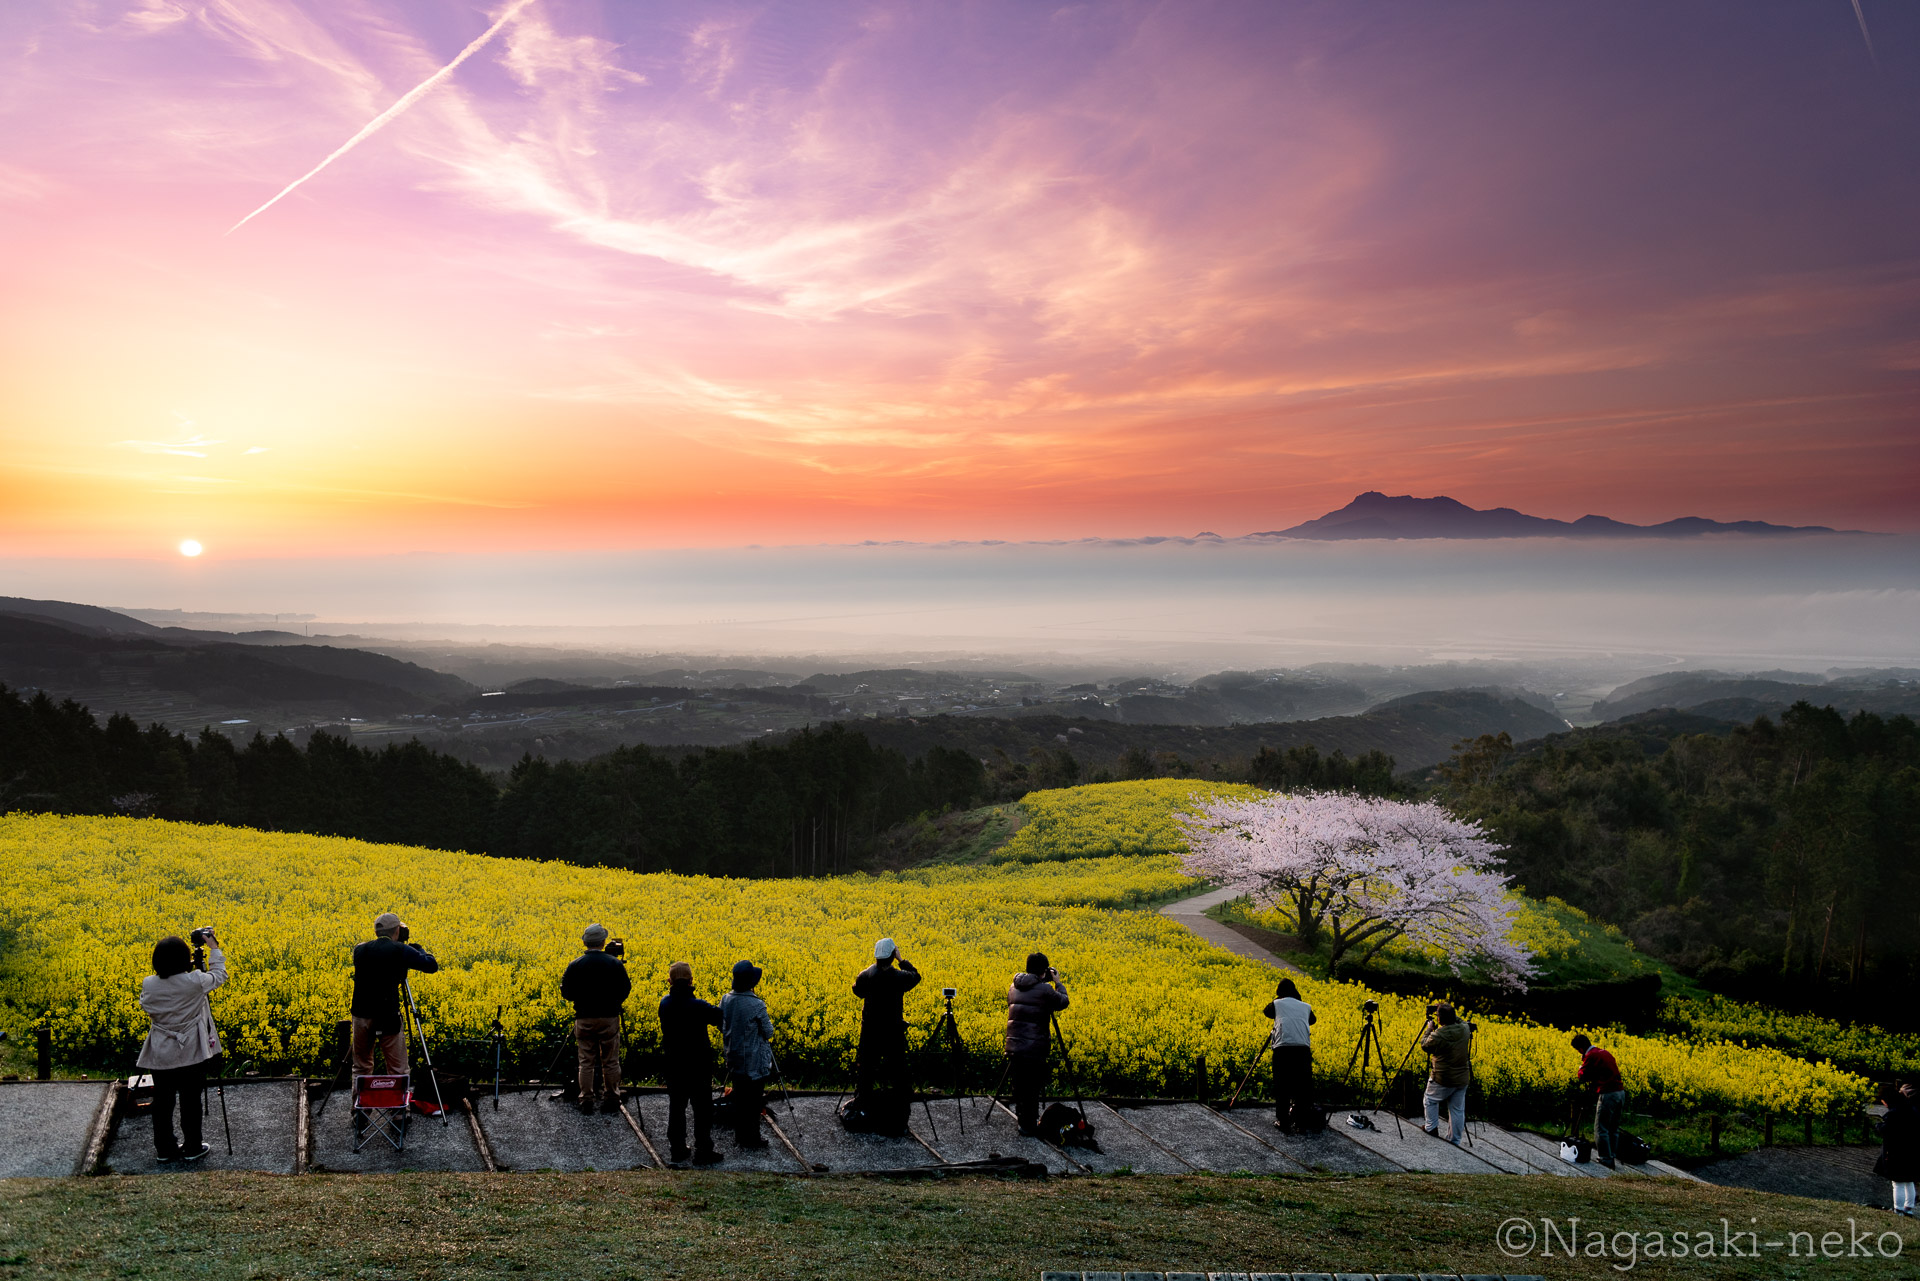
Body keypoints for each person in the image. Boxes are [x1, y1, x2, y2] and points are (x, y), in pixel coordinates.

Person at [136, 931, 227, 1163]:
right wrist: (213, 948)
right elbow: (219, 975)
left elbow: (146, 1004)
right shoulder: (194, 982)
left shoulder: (149, 984)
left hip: (161, 1052)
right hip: (192, 1052)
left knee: (163, 1102)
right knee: (190, 1100)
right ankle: (193, 1147)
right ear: (184, 960)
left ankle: (165, 1149)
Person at [349, 912, 438, 1079]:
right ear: (397, 930)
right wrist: (417, 948)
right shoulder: (401, 950)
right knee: (398, 1067)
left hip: (361, 1015)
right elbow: (431, 965)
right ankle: (398, 1104)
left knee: (361, 1066)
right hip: (387, 1014)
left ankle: (359, 1104)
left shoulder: (360, 949)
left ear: (376, 932)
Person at [850, 937, 921, 1135]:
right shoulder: (899, 977)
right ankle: (899, 1122)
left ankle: (862, 1114)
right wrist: (901, 959)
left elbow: (857, 991)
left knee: (865, 1073)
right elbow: (916, 976)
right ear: (891, 955)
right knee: (899, 1076)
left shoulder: (865, 975)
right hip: (892, 1034)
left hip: (870, 1034)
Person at [561, 924, 632, 1115]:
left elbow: (566, 992)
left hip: (584, 1018)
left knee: (586, 1061)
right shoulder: (615, 964)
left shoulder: (575, 964)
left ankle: (586, 1099)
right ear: (602, 942)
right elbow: (626, 988)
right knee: (610, 1060)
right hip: (609, 1018)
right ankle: (611, 1098)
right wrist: (613, 1002)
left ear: (585, 942)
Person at [658, 961, 723, 1165]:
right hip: (698, 1065)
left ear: (670, 980)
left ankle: (677, 1149)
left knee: (676, 1107)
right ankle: (703, 1150)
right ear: (691, 981)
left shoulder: (665, 1003)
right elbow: (719, 1016)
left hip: (674, 1063)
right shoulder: (699, 1006)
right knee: (702, 1108)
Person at [1004, 951, 1069, 1137]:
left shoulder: (1013, 986)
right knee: (1032, 1087)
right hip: (1034, 1049)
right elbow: (1063, 1002)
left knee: (1020, 1086)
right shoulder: (1045, 989)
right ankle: (1029, 1126)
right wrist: (1057, 983)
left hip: (1014, 1045)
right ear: (1044, 971)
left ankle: (1022, 1121)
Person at [719, 959, 774, 1149]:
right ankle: (752, 1138)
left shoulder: (726, 999)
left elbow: (721, 1023)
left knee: (740, 1097)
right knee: (753, 1100)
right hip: (753, 1061)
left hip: (733, 1057)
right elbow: (769, 1032)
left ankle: (740, 1135)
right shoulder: (757, 1005)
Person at [1262, 977, 1315, 1132]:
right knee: (1302, 1087)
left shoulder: (1277, 1003)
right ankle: (1301, 1123)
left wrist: (1278, 1000)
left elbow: (1267, 1012)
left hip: (1283, 1048)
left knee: (1282, 1085)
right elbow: (1313, 1020)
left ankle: (1283, 1122)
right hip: (1303, 1050)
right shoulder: (1306, 1006)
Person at [1419, 1002, 1472, 1145]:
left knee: (1430, 1099)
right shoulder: (1465, 1028)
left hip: (1443, 1078)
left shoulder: (1438, 1035)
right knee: (1457, 1109)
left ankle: (1431, 1128)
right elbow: (1459, 1019)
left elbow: (1424, 1045)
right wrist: (1448, 1011)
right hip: (1462, 1078)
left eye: (1437, 1015)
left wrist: (1429, 1029)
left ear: (1439, 1020)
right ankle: (1454, 1140)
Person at [1570, 1032, 1626, 1168]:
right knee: (1613, 1128)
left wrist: (1580, 1068)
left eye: (1578, 1051)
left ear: (1581, 1049)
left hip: (1608, 1094)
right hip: (1620, 1093)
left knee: (1601, 1128)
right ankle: (1611, 1155)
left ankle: (1605, 1158)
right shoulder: (1604, 1052)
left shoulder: (1591, 1056)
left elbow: (1582, 1076)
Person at [1874, 1080, 1916, 1218]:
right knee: (1909, 1180)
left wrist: (1878, 1127)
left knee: (1897, 1182)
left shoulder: (1894, 1114)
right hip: (1911, 1151)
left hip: (1896, 1152)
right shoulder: (1910, 1109)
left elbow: (1888, 1130)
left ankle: (1898, 1210)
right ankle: (1908, 1208)